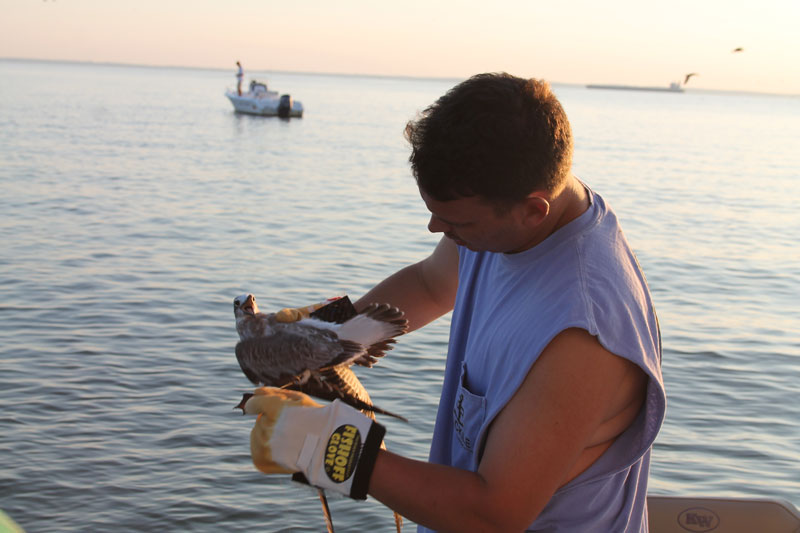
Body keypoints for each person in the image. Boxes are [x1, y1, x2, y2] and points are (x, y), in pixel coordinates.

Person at [245, 72, 666, 532]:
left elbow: (492, 514)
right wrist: (324, 336)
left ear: (533, 209)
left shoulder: (585, 335)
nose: (435, 229)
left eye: (453, 222)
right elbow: (430, 284)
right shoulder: (513, 215)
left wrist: (328, 446)